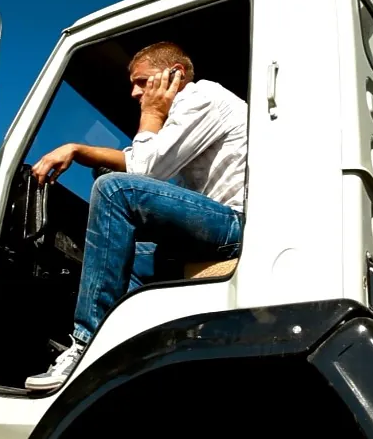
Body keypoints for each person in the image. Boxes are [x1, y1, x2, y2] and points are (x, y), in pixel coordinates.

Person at [24, 41, 247, 391]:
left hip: (236, 225)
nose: (134, 92)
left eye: (142, 81)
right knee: (126, 255)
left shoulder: (200, 97)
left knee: (115, 190)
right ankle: (120, 354)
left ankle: (86, 344)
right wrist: (78, 149)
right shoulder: (187, 115)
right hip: (217, 229)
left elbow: (143, 171)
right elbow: (136, 159)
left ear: (176, 75)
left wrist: (151, 116)